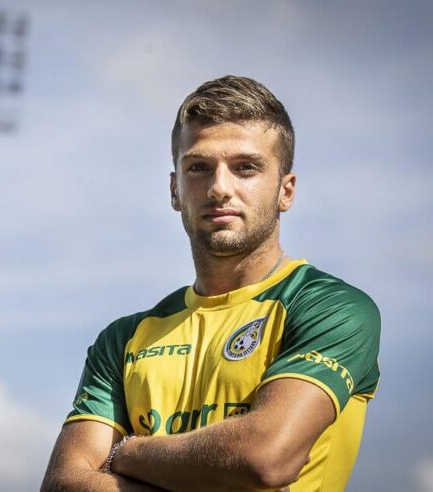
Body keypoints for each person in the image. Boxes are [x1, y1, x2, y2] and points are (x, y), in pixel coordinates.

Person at [40, 75, 381, 492]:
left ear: (286, 191)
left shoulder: (330, 309)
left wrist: (124, 453)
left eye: (246, 168)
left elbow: (265, 458)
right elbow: (64, 484)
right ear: (175, 190)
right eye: (198, 167)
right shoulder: (123, 339)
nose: (219, 188)